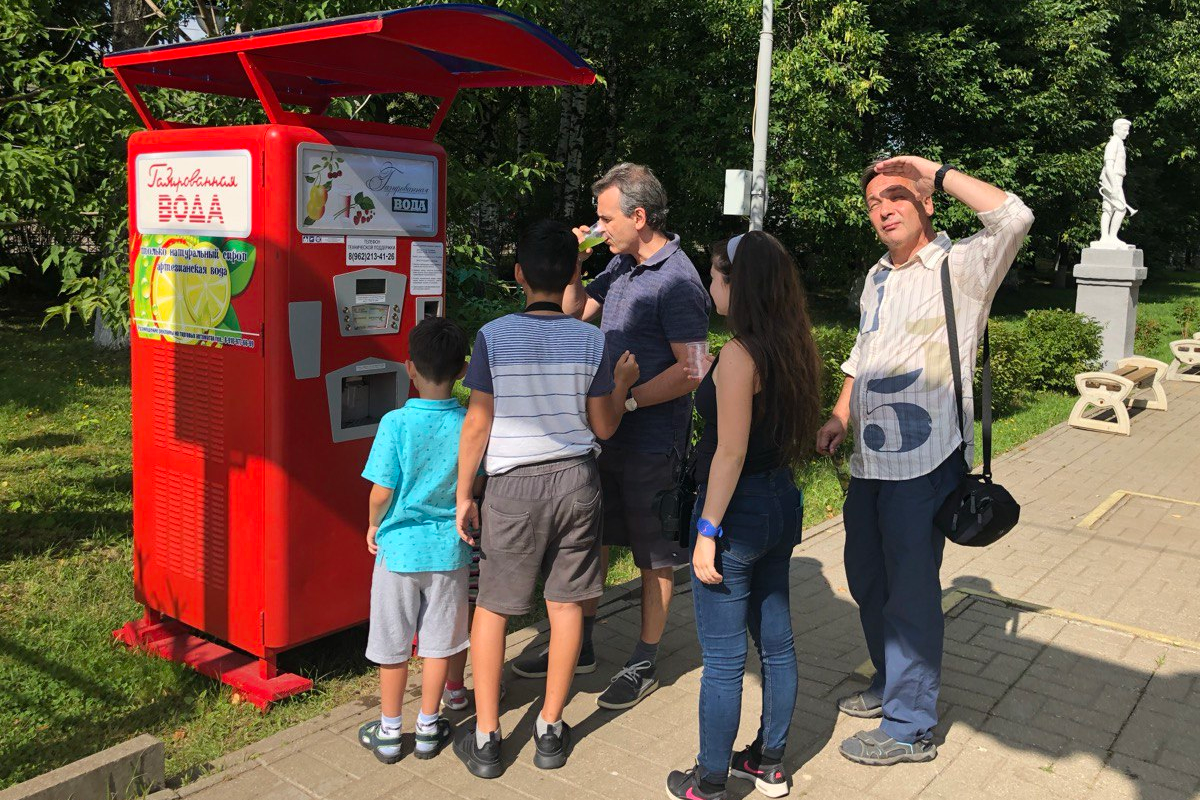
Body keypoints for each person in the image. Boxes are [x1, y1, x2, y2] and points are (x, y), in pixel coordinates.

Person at [817, 156, 1034, 765]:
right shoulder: (876, 276)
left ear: (927, 203)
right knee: (867, 579)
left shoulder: (962, 266)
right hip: (869, 461)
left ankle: (911, 726)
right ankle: (890, 680)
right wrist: (839, 415)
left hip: (927, 462)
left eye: (896, 196)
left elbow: (1014, 217)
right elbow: (864, 353)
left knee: (910, 593)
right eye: (873, 203)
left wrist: (930, 169)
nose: (883, 209)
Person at [510, 163, 709, 712]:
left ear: (639, 217)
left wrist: (629, 399)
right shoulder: (620, 264)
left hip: (652, 439)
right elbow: (572, 314)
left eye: (605, 218)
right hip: (605, 431)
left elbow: (695, 368)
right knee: (592, 537)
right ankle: (582, 643)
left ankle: (643, 660)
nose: (598, 227)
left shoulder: (678, 280)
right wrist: (575, 265)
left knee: (653, 554)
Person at [453, 219, 640, 778]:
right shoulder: (590, 340)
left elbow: (477, 423)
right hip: (577, 482)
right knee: (566, 605)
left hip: (512, 487)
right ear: (574, 274)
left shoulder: (492, 336)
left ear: (518, 275)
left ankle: (487, 738)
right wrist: (622, 385)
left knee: (493, 608)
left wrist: (464, 494)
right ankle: (551, 730)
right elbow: (604, 427)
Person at [665, 231, 821, 800]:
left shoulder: (740, 353)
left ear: (739, 283)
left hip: (736, 512)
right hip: (780, 500)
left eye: (714, 275)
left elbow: (729, 452)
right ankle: (769, 761)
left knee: (725, 658)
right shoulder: (793, 343)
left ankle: (709, 781)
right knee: (777, 644)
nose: (710, 286)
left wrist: (707, 530)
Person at [356, 317, 473, 764]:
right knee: (440, 642)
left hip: (399, 551)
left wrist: (373, 524)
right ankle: (427, 726)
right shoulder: (469, 423)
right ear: (462, 370)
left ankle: (389, 731)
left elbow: (381, 491)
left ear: (409, 368)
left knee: (393, 642)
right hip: (449, 551)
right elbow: (475, 483)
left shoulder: (395, 422)